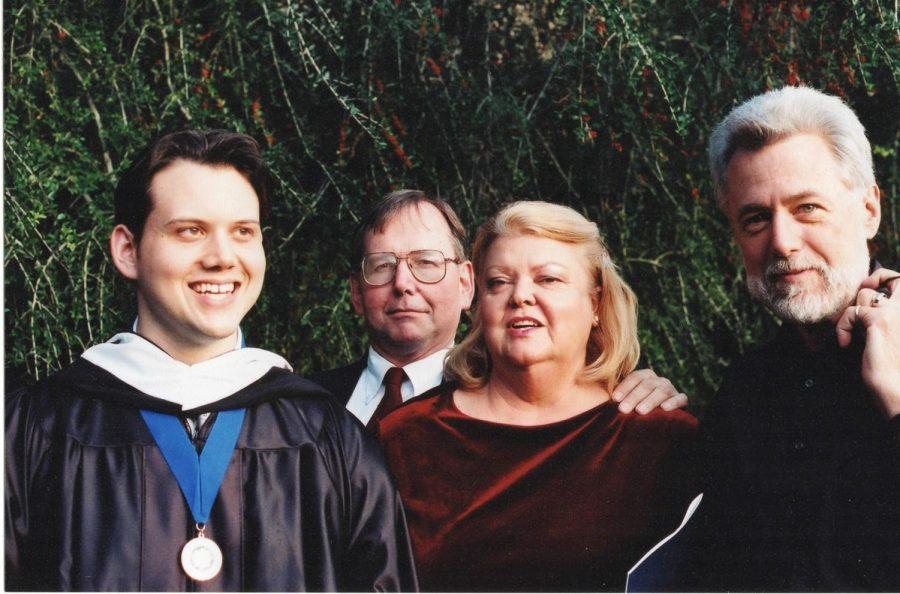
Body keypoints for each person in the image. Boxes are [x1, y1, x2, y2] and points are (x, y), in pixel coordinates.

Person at [4, 130, 417, 591]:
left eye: (243, 232)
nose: (223, 257)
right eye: (190, 231)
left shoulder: (328, 438)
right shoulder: (34, 432)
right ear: (127, 250)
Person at [378, 201, 699, 591]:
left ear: (595, 303)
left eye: (548, 279)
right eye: (499, 282)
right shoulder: (406, 437)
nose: (521, 296)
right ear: (480, 305)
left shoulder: (661, 439)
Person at [695, 86, 900, 590]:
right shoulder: (743, 393)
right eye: (756, 219)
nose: (782, 241)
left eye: (807, 207)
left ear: (869, 210)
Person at [311, 190, 689, 431]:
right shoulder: (303, 404)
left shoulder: (508, 396)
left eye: (426, 262)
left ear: (466, 286)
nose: (403, 283)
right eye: (382, 265)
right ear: (356, 294)